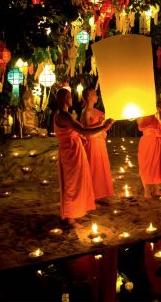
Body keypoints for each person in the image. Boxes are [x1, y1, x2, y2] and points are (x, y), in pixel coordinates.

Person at [54, 88, 114, 228]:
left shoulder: (64, 115)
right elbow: (83, 130)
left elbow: (79, 131)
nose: (71, 98)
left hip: (74, 150)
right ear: (63, 99)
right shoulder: (64, 116)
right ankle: (70, 219)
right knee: (72, 184)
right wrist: (103, 126)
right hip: (71, 152)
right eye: (69, 96)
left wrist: (102, 125)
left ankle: (76, 212)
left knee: (78, 182)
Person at [80, 88, 115, 204]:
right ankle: (91, 194)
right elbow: (86, 128)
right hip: (92, 143)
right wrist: (100, 123)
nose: (97, 96)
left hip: (100, 142)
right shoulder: (86, 111)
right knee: (93, 169)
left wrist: (108, 124)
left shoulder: (97, 111)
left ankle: (99, 194)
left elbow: (103, 128)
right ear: (89, 96)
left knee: (100, 168)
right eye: (95, 94)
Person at [137, 101, 161, 198]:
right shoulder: (142, 111)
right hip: (147, 140)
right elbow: (140, 125)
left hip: (158, 140)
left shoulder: (158, 110)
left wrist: (158, 113)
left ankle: (157, 189)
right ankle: (147, 190)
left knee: (157, 164)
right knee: (146, 164)